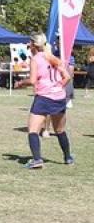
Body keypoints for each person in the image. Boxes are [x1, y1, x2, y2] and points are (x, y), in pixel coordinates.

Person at [15, 33, 73, 169]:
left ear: (33, 44)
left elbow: (33, 80)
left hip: (44, 97)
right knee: (60, 130)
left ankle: (37, 160)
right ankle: (68, 157)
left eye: (29, 42)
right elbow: (67, 77)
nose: (28, 45)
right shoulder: (52, 57)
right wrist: (58, 87)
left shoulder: (35, 59)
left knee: (33, 130)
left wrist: (21, 83)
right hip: (59, 97)